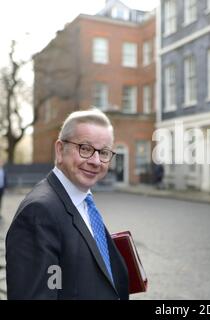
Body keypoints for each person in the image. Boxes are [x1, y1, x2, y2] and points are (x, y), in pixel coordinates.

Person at [6, 109, 129, 300]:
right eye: (86, 149)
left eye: (104, 152)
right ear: (60, 150)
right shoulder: (38, 212)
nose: (96, 161)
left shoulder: (83, 201)